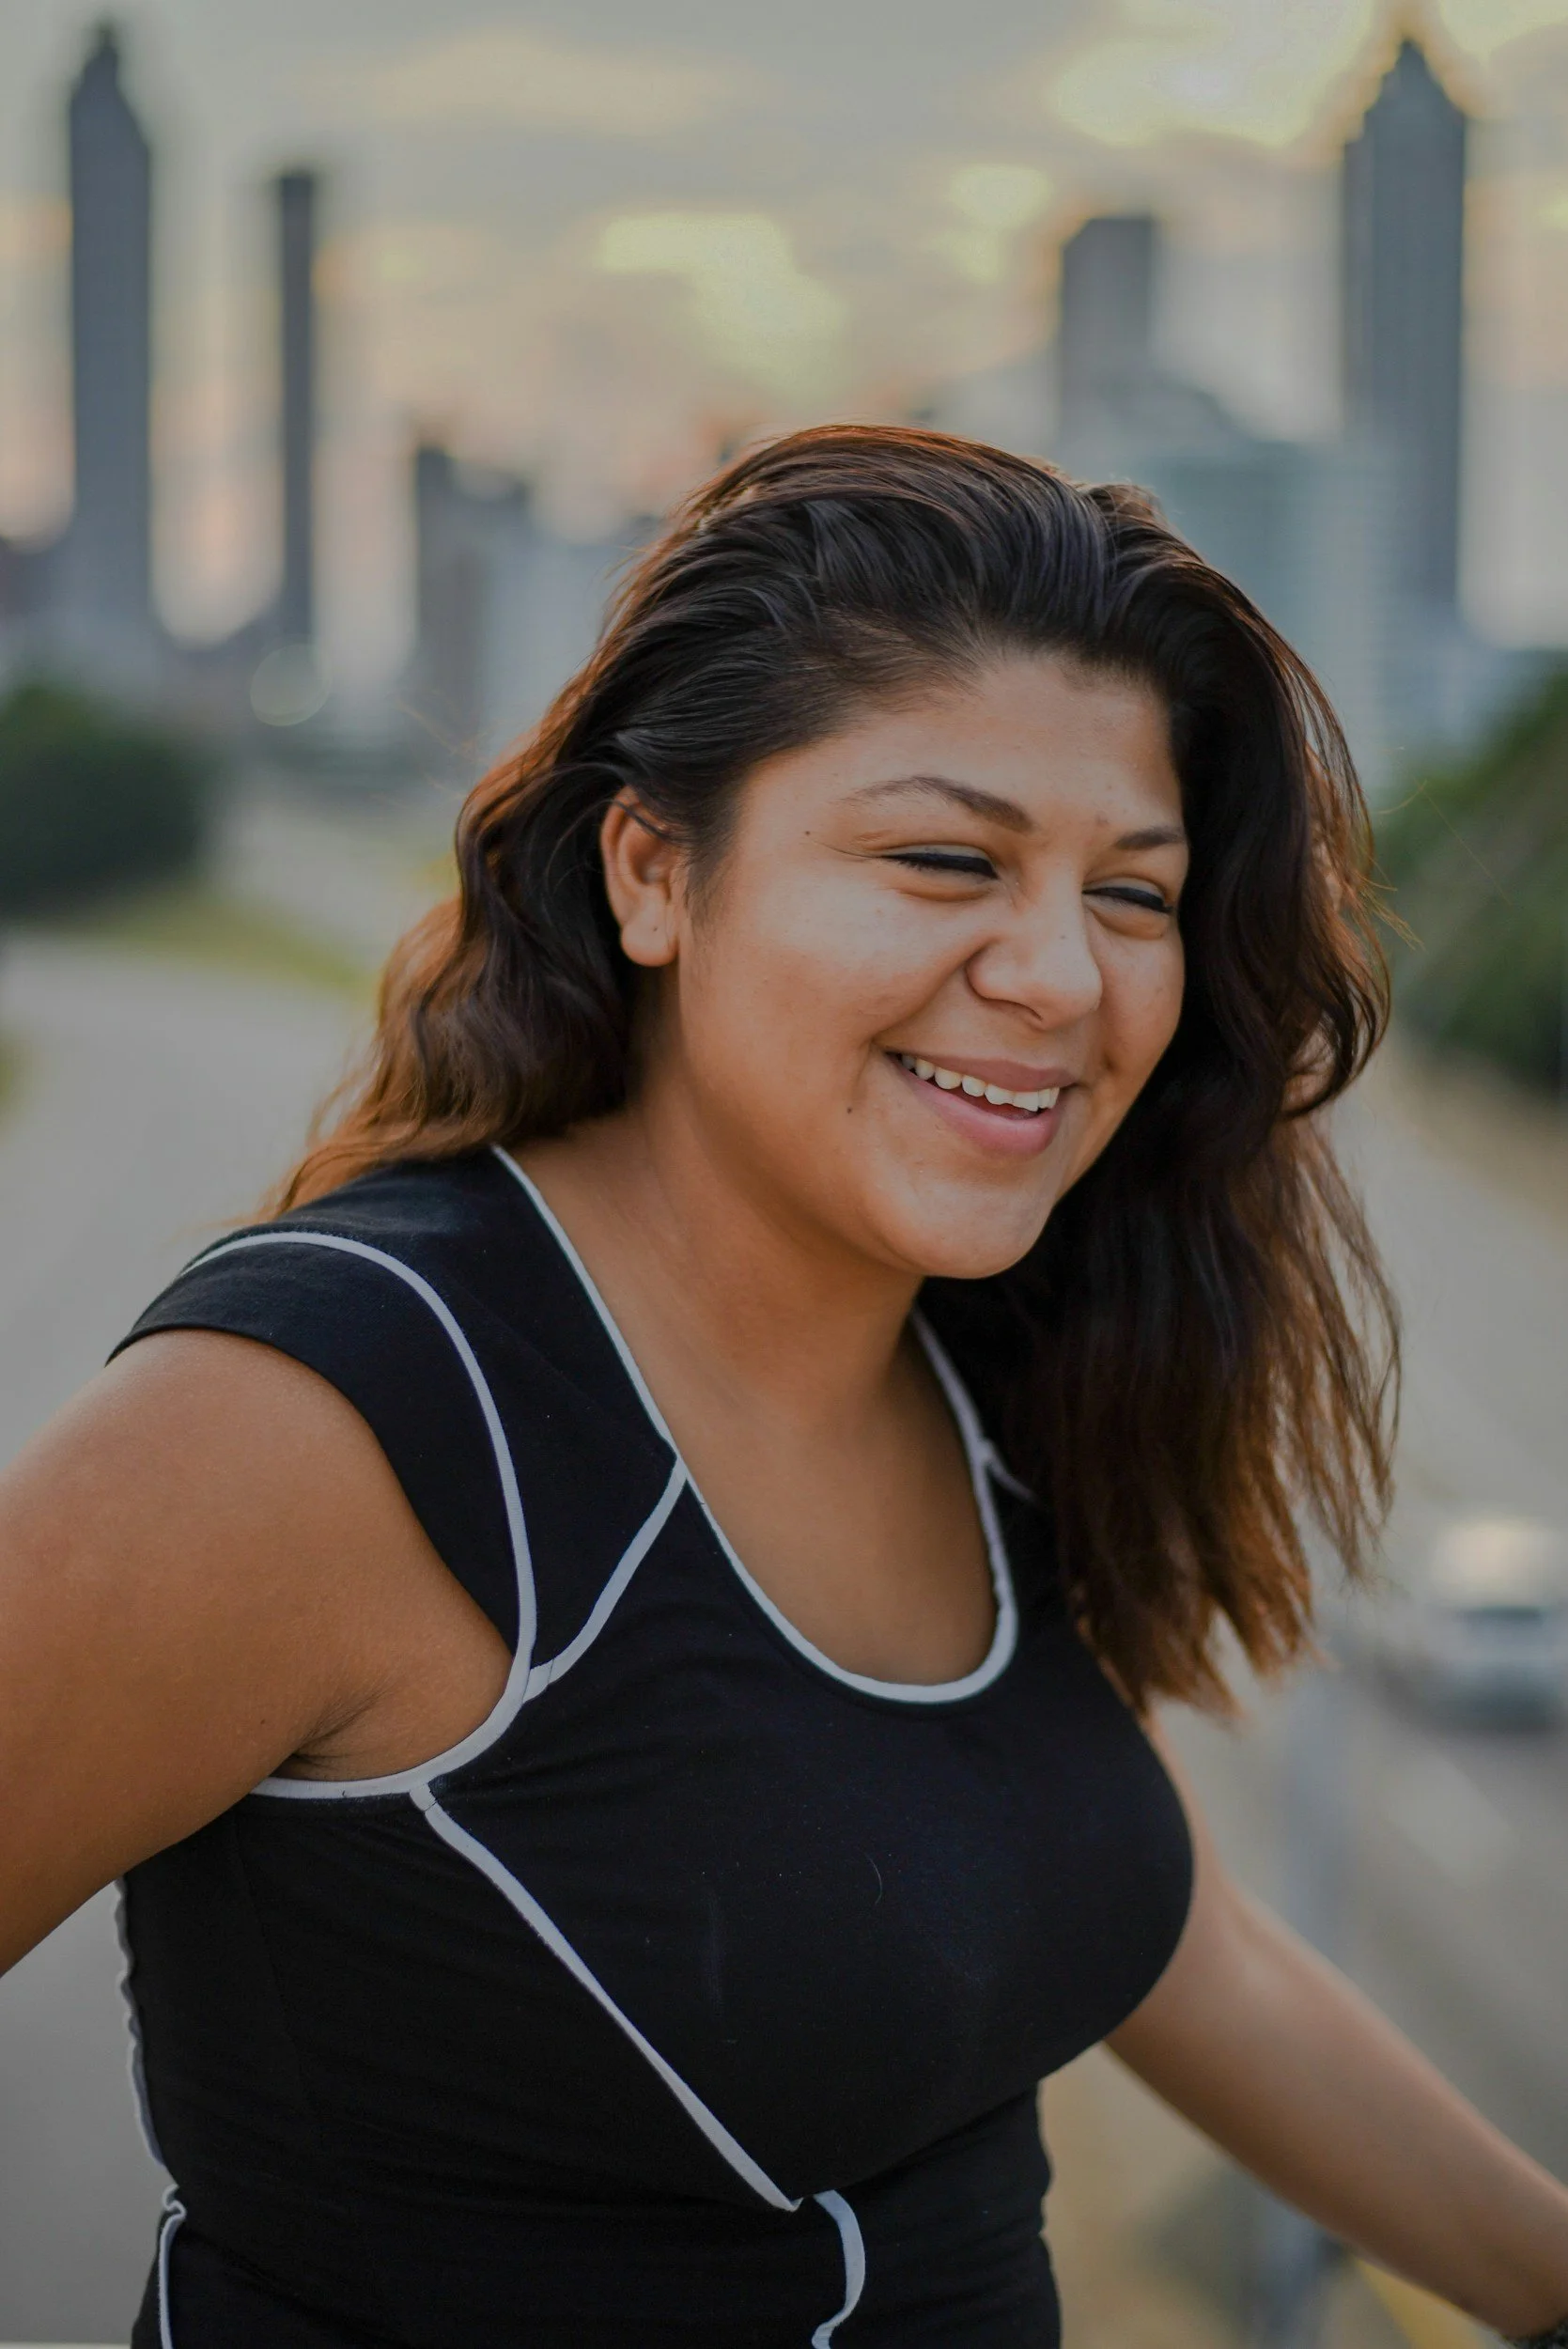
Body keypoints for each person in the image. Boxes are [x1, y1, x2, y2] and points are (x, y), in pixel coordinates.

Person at [2, 427, 1565, 2349]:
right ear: (656, 872)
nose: (1062, 976)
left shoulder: (991, 1363)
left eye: (1134, 895)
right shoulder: (322, 1416)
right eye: (945, 860)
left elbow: (1176, 1946)